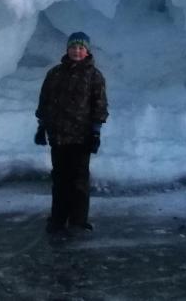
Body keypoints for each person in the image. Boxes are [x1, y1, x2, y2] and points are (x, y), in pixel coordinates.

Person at [34, 31, 108, 233]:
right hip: (58, 136)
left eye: (81, 48)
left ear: (87, 52)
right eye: (74, 47)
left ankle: (78, 219)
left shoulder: (94, 76)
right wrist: (41, 127)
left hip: (81, 137)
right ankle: (58, 217)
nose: (77, 51)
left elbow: (99, 106)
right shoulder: (55, 74)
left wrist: (95, 133)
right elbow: (45, 102)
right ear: (67, 49)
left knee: (79, 179)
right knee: (59, 178)